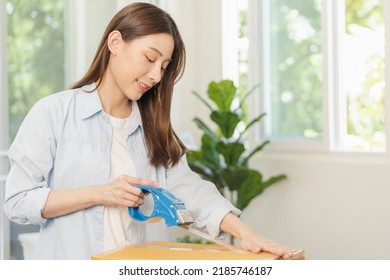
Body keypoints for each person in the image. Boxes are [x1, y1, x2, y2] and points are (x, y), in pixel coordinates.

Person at [3, 2, 292, 260]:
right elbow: (17, 202)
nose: (156, 75)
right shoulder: (54, 113)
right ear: (115, 42)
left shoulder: (155, 128)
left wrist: (246, 234)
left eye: (164, 67)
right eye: (150, 58)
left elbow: (193, 193)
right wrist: (100, 193)